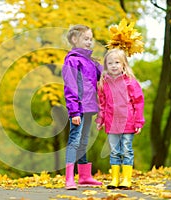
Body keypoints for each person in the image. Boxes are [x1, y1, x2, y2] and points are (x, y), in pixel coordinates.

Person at [96, 48, 145, 189]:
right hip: (112, 123)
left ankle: (126, 180)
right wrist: (100, 119)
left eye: (117, 62)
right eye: (110, 63)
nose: (114, 65)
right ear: (106, 66)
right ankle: (115, 179)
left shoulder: (130, 82)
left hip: (128, 121)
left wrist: (138, 121)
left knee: (126, 149)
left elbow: (138, 102)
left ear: (124, 64)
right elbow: (102, 104)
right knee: (114, 151)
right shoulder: (103, 83)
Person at [62, 24, 103, 190]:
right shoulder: (72, 60)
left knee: (84, 141)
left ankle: (85, 176)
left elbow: (104, 74)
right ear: (74, 39)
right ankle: (69, 178)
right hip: (78, 109)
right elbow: (70, 87)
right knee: (75, 140)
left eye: (90, 39)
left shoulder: (91, 62)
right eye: (86, 39)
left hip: (89, 107)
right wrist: (74, 111)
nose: (89, 42)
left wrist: (117, 54)